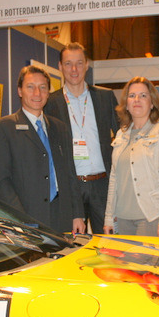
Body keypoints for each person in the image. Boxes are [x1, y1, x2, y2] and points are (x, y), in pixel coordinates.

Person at [0, 65, 85, 234]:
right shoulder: (4, 128)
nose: (37, 93)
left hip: (62, 215)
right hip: (27, 217)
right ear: (20, 91)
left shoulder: (60, 127)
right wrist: (20, 219)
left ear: (48, 92)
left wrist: (77, 214)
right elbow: (1, 182)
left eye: (42, 87)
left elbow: (70, 173)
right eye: (30, 87)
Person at [45, 42, 119, 233]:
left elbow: (122, 136)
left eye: (79, 63)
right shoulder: (50, 103)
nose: (74, 69)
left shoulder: (105, 97)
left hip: (102, 184)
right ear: (60, 66)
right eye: (68, 64)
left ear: (87, 65)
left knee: (109, 242)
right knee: (74, 242)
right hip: (71, 186)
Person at [103, 77, 159, 237]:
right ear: (126, 104)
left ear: (152, 103)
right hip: (123, 218)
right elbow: (114, 179)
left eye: (143, 95)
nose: (137, 99)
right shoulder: (121, 134)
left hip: (152, 217)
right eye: (132, 96)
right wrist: (109, 217)